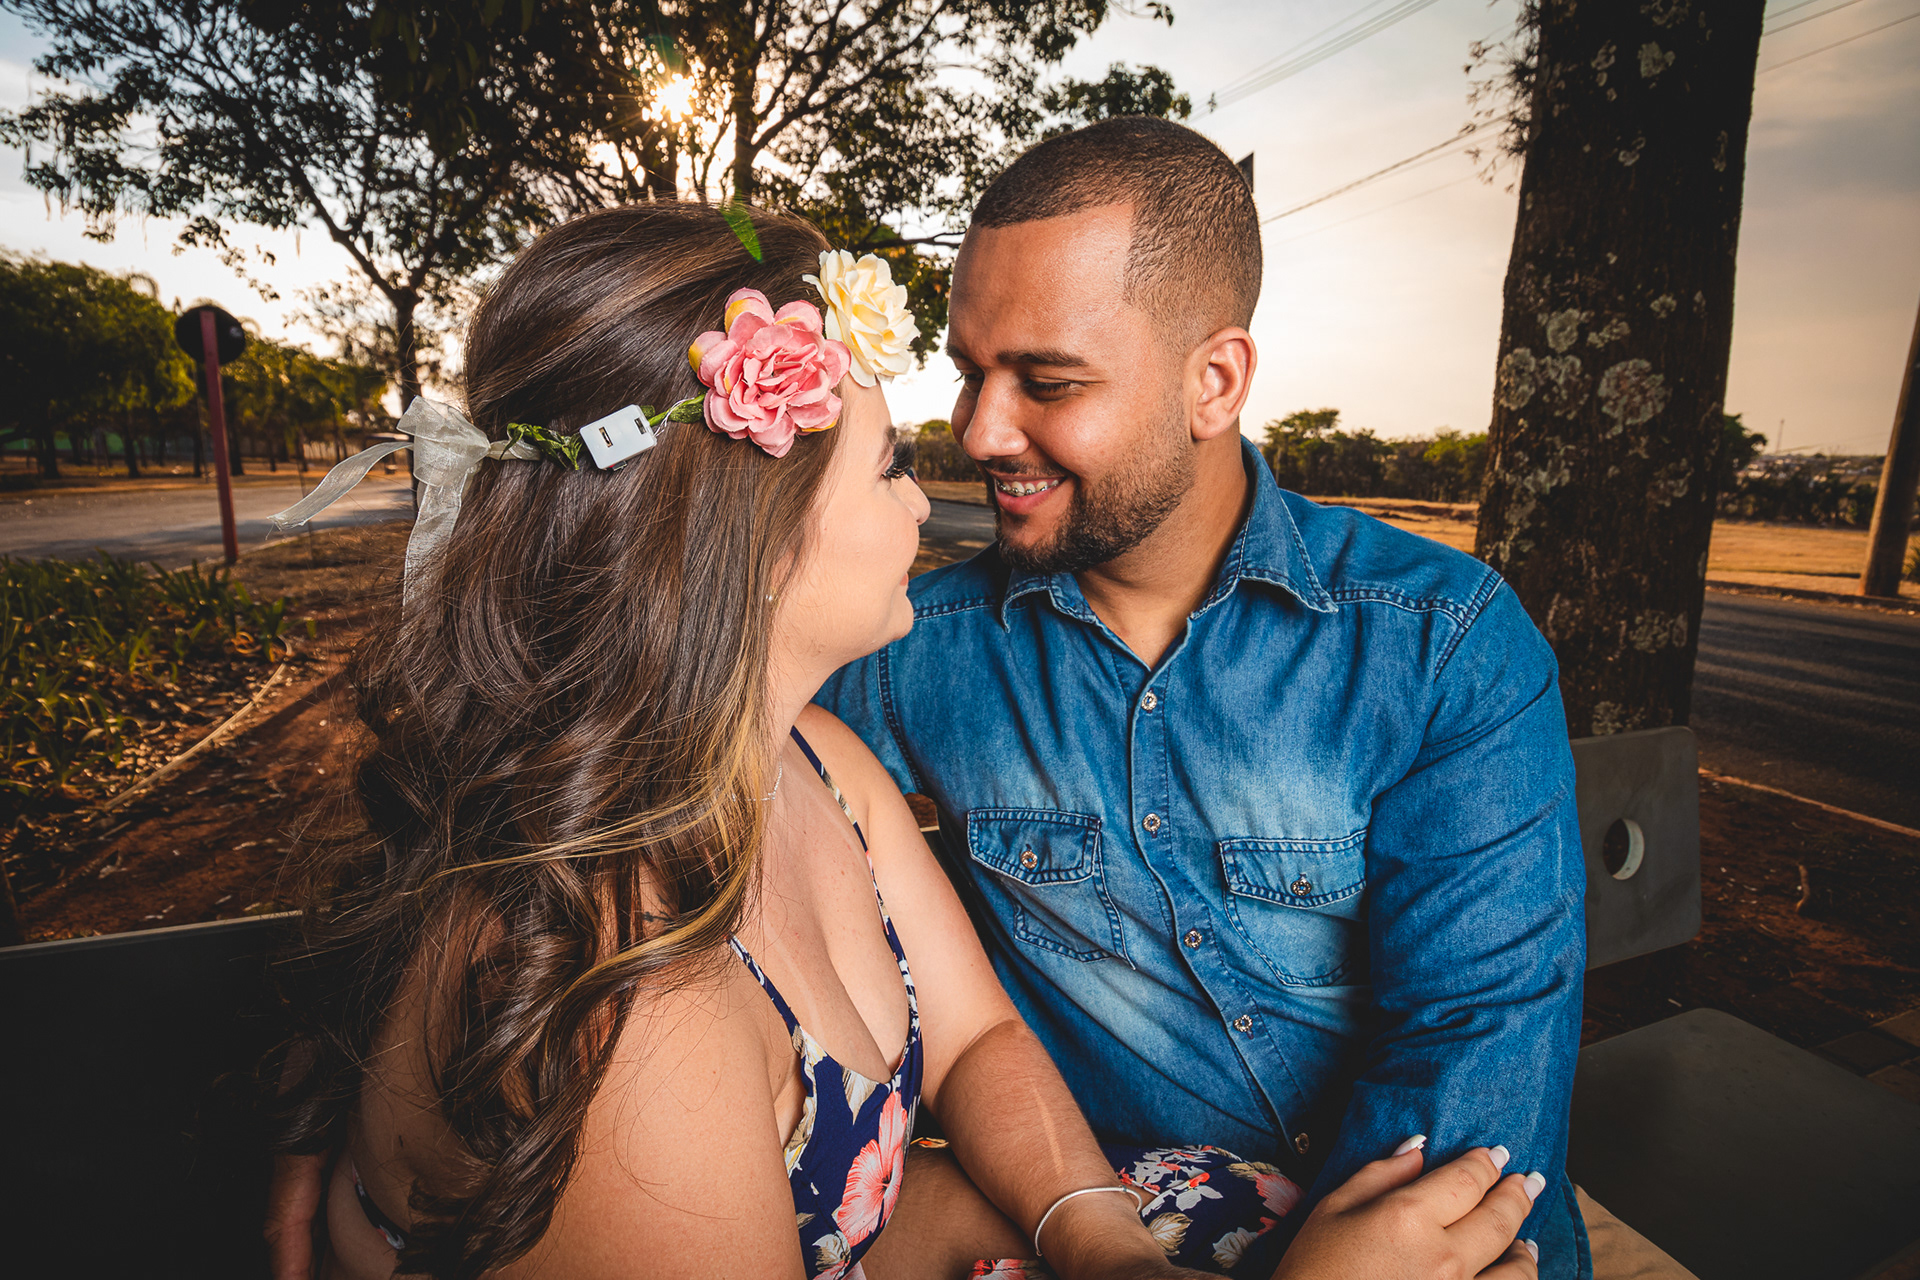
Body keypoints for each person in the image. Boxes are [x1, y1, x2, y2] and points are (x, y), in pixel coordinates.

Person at [264, 201, 1543, 1279]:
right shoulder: (641, 1008)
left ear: (1215, 381)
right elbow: (511, 827)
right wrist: (362, 1070)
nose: (966, 453)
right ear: (751, 539)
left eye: (1047, 380)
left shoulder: (822, 750)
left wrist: (1107, 1246)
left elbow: (984, 1037)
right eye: (896, 459)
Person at [812, 116, 1594, 1280]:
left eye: (1047, 381)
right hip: (1110, 1233)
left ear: (1214, 381)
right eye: (971, 370)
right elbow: (727, 775)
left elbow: (1477, 1064)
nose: (979, 429)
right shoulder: (908, 648)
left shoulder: (1438, 643)